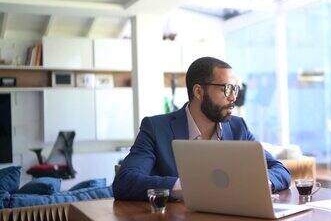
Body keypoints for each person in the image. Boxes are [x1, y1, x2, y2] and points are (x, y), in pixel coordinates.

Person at [113, 57, 291, 200]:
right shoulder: (156, 128)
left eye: (235, 90)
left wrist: (263, 182)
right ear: (198, 92)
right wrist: (186, 187)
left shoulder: (238, 128)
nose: (233, 98)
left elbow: (280, 170)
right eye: (227, 89)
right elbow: (125, 181)